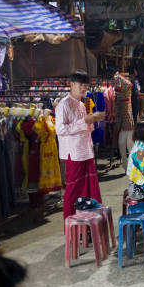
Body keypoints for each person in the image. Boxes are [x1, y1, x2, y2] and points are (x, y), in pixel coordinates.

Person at [56, 71, 105, 222]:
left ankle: (86, 225)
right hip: (74, 153)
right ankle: (70, 224)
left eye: (85, 85)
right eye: (80, 85)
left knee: (87, 190)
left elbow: (85, 128)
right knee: (73, 191)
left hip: (86, 151)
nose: (83, 88)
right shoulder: (63, 104)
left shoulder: (82, 105)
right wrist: (86, 121)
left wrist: (93, 119)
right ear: (71, 84)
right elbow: (60, 130)